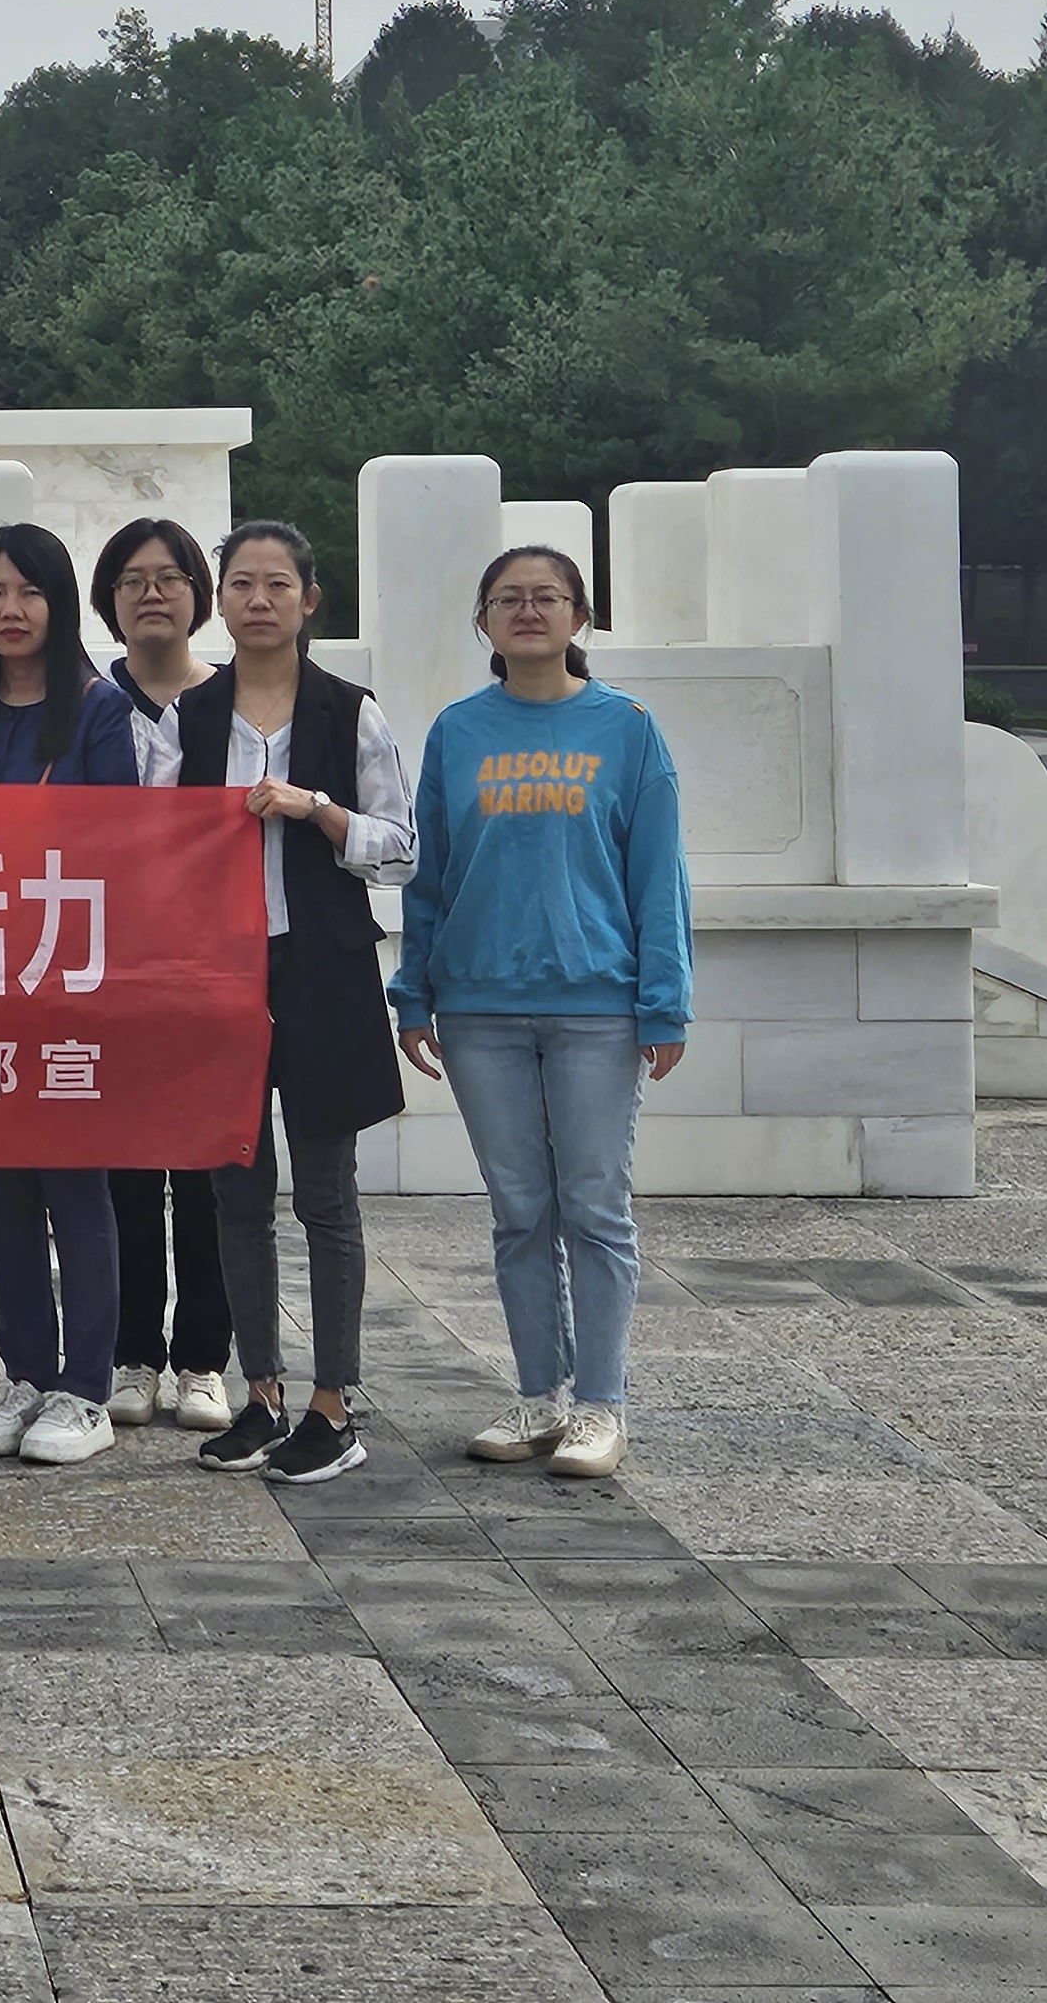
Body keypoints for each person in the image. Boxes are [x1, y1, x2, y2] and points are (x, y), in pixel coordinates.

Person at [392, 544, 690, 1482]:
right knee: (519, 1211)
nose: (528, 611)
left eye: (547, 597)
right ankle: (538, 1394)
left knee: (594, 1206)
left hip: (595, 1005)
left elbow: (658, 873)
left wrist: (665, 1001)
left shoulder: (626, 729)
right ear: (483, 620)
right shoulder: (457, 731)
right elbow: (429, 874)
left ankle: (602, 1404)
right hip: (479, 1008)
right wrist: (413, 990)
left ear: (579, 617)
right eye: (508, 599)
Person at [165, 521, 416, 1486]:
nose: (259, 599)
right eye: (242, 583)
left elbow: (401, 847)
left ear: (310, 601)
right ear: (219, 602)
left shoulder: (350, 712)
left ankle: (334, 1403)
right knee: (236, 1192)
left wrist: (319, 810)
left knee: (326, 1195)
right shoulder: (188, 717)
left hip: (323, 969)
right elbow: (151, 845)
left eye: (278, 584)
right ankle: (261, 1393)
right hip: (218, 973)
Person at [0, 523, 138, 1468]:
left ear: (59, 604)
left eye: (29, 591)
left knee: (74, 1186)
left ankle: (85, 1389)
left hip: (69, 986)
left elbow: (121, 852)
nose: (9, 610)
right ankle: (24, 1375)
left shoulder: (98, 710)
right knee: (3, 1188)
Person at [90, 518, 235, 1434]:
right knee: (126, 1173)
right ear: (108, 599)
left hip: (213, 966)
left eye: (171, 577)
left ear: (197, 596)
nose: (152, 593)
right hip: (106, 966)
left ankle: (204, 1359)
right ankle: (133, 1352)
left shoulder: (236, 702)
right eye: (133, 579)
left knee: (209, 1169)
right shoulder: (85, 703)